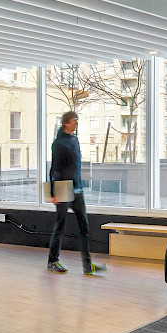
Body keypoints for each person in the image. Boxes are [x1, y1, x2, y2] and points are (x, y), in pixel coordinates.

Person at [46, 111, 107, 276]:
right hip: (63, 188)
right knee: (60, 226)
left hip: (77, 188)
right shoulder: (58, 143)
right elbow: (54, 169)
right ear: (66, 122)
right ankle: (52, 261)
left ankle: (88, 265)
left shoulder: (75, 140)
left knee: (84, 227)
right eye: (74, 120)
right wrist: (52, 192)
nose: (77, 123)